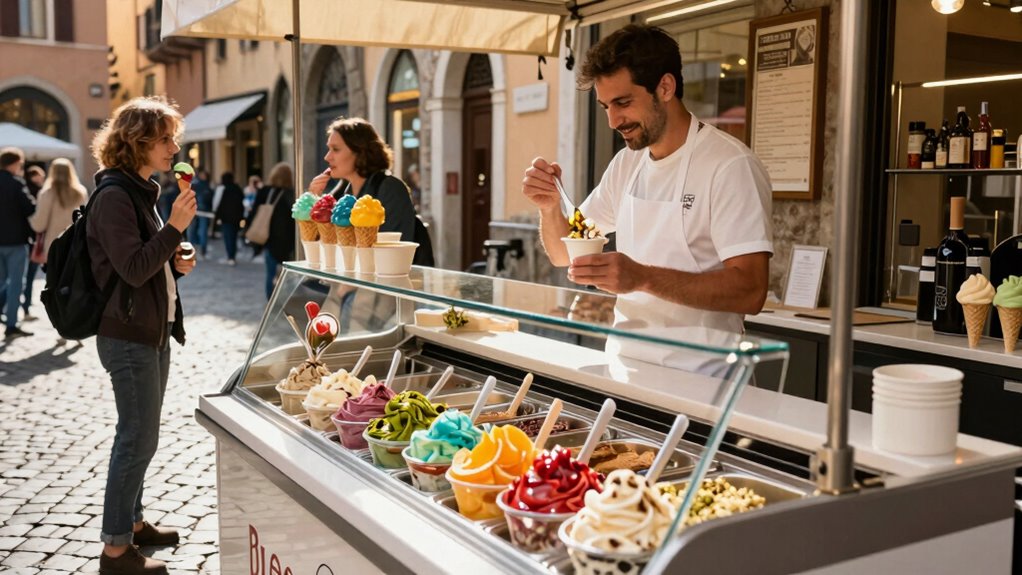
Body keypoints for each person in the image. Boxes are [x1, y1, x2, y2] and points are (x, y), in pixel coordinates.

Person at [521, 25, 772, 364]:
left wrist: (643, 277)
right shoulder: (627, 163)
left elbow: (751, 290)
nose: (612, 121)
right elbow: (564, 253)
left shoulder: (729, 165)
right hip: (627, 369)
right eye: (605, 106)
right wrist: (550, 207)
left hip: (703, 380)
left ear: (665, 87)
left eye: (623, 102)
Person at [87, 95, 197, 575]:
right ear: (139, 142)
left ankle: (131, 525)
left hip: (149, 331)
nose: (174, 147)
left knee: (143, 437)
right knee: (136, 438)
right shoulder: (114, 196)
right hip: (127, 334)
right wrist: (173, 228)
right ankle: (115, 551)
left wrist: (175, 257)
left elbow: (143, 260)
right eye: (166, 138)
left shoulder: (139, 191)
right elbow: (131, 270)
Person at [308, 117, 428, 262]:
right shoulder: (344, 193)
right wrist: (313, 198)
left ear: (360, 152)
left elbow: (393, 255)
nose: (327, 157)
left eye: (336, 149)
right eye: (329, 149)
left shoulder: (390, 188)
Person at [28, 158, 88, 337]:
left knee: (55, 288)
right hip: (77, 245)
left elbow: (38, 224)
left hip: (54, 248)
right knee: (76, 284)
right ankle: (77, 322)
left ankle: (62, 326)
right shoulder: (80, 191)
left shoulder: (47, 193)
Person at [0, 147, 36, 338]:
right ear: (14, 163)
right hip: (15, 241)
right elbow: (30, 208)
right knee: (15, 284)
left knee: (1, 283)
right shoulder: (16, 183)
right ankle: (11, 325)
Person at [251, 162, 295, 299]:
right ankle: (284, 299)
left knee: (270, 273)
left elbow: (254, 212)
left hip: (269, 238)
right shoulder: (291, 194)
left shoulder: (265, 191)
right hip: (287, 240)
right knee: (287, 273)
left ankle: (270, 300)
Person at [214, 172, 245, 265]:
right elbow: (242, 202)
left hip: (225, 217)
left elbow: (217, 203)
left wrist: (217, 215)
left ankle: (230, 256)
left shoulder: (222, 188)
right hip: (236, 217)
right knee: (234, 237)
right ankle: (232, 256)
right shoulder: (237, 188)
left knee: (228, 237)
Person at [187, 169, 212, 259]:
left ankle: (193, 250)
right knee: (201, 231)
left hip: (196, 210)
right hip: (203, 212)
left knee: (195, 230)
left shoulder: (195, 185)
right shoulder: (208, 186)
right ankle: (201, 251)